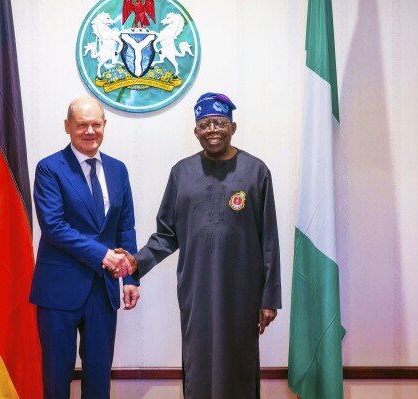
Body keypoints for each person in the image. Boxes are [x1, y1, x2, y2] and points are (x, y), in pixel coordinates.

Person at [116, 92, 281, 399]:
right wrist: (138, 261)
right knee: (199, 362)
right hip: (196, 290)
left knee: (240, 364)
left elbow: (269, 238)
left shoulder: (256, 171)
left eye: (219, 123)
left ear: (233, 127)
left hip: (243, 292)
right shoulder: (181, 173)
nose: (212, 130)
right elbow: (166, 234)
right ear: (196, 132)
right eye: (205, 125)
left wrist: (269, 297)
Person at [29, 96, 139, 399]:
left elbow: (125, 227)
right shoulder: (50, 168)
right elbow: (54, 226)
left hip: (103, 290)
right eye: (82, 124)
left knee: (99, 376)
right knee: (56, 376)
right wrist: (102, 254)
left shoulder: (118, 170)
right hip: (58, 291)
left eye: (96, 124)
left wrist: (130, 277)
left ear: (104, 125)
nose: (89, 131)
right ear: (67, 126)